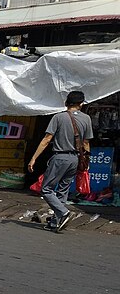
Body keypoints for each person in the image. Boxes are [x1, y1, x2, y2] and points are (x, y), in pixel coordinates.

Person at [28, 90, 93, 232]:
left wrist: (34, 158)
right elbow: (86, 143)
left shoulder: (58, 117)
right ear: (81, 104)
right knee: (63, 190)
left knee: (46, 189)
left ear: (66, 103)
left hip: (60, 157)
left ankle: (63, 212)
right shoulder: (87, 119)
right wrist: (86, 162)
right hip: (75, 159)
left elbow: (46, 139)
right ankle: (56, 222)